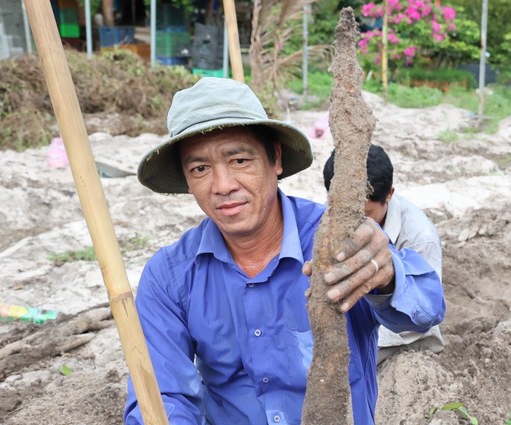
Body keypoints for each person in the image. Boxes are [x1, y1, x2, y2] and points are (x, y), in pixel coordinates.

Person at [124, 77, 445, 425]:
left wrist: (388, 277)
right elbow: (161, 395)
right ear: (187, 180)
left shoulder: (337, 240)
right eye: (200, 168)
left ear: (275, 158)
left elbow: (425, 310)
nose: (223, 186)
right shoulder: (170, 276)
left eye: (239, 160)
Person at [323, 145, 445, 363]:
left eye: (366, 214)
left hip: (400, 337)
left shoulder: (419, 236)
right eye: (346, 213)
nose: (355, 223)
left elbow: (425, 310)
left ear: (389, 194)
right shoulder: (330, 212)